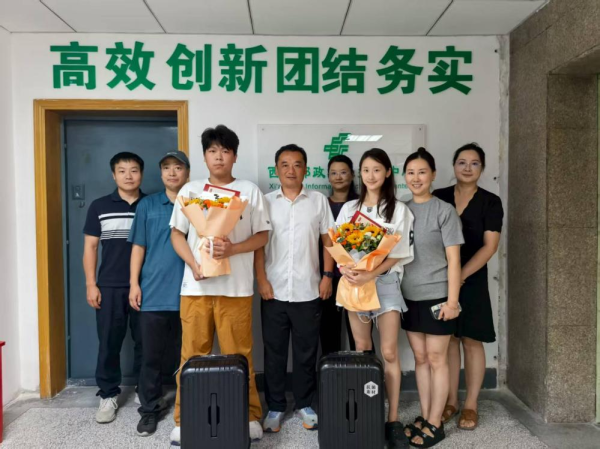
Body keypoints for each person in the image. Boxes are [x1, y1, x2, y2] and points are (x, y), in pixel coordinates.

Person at [169, 125, 271, 445]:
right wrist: (193, 264)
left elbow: (262, 235)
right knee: (191, 354)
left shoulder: (249, 191)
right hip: (195, 288)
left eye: (225, 151)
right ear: (204, 156)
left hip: (236, 289)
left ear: (234, 156)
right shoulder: (190, 191)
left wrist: (233, 249)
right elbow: (177, 234)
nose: (218, 156)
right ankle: (184, 419)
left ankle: (250, 415)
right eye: (212, 151)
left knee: (240, 355)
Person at [336, 148, 414, 449]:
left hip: (385, 283)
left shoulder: (398, 210)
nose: (371, 176)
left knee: (390, 352)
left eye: (377, 170)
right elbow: (339, 246)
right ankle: (368, 413)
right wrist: (345, 267)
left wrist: (371, 273)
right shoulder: (349, 208)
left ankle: (392, 419)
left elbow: (399, 254)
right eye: (366, 170)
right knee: (362, 351)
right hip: (355, 284)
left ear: (388, 173)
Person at [256, 144, 335, 433]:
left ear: (305, 169)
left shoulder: (318, 201)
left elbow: (328, 241)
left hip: (308, 289)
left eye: (297, 164)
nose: (291, 170)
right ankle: (276, 406)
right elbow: (258, 246)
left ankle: (304, 403)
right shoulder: (265, 202)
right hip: (273, 290)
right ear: (276, 169)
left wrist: (327, 276)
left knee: (306, 352)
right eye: (285, 164)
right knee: (274, 352)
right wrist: (261, 280)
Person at [433, 143, 503, 431]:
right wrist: (449, 276)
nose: (467, 168)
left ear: (482, 168)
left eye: (474, 163)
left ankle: (471, 404)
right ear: (454, 165)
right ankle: (450, 400)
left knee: (472, 340)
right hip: (439, 277)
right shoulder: (439, 197)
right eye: (462, 162)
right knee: (449, 339)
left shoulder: (490, 201)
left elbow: (490, 246)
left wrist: (460, 275)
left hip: (472, 279)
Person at [401, 148, 463, 448]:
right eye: (411, 173)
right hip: (407, 297)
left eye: (422, 172)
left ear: (433, 175)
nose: (416, 178)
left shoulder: (444, 211)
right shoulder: (401, 210)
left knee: (438, 359)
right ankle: (426, 416)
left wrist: (452, 302)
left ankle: (436, 424)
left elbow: (454, 260)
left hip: (437, 296)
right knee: (421, 359)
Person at [128, 151, 190, 436]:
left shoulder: (198, 203)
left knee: (187, 357)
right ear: (161, 172)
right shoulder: (147, 205)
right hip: (153, 293)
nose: (172, 173)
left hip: (191, 293)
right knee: (150, 357)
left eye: (178, 167)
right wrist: (134, 283)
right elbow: (138, 246)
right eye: (167, 168)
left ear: (187, 172)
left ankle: (187, 407)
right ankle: (150, 410)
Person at [83, 151, 145, 424]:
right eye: (122, 171)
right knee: (109, 343)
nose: (128, 176)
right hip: (109, 287)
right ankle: (108, 394)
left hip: (145, 286)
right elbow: (90, 247)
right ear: (114, 175)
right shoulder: (99, 206)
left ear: (141, 174)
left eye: (134, 170)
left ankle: (145, 389)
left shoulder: (150, 204)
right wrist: (91, 284)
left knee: (147, 342)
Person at [319, 155, 360, 354]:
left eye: (343, 172)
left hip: (356, 275)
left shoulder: (361, 205)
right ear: (328, 177)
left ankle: (362, 368)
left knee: (359, 333)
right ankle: (331, 370)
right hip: (327, 277)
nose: (338, 177)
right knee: (328, 328)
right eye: (333, 173)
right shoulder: (322, 204)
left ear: (352, 175)